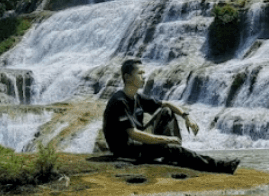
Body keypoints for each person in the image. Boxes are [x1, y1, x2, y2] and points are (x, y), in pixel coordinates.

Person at [102, 59, 239, 174]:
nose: (144, 76)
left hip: (138, 142)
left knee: (166, 111)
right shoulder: (119, 101)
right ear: (127, 77)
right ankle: (221, 167)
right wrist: (167, 139)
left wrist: (186, 116)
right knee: (173, 149)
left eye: (144, 73)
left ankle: (173, 153)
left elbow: (166, 103)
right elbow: (134, 134)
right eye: (140, 73)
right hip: (126, 151)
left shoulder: (136, 96)